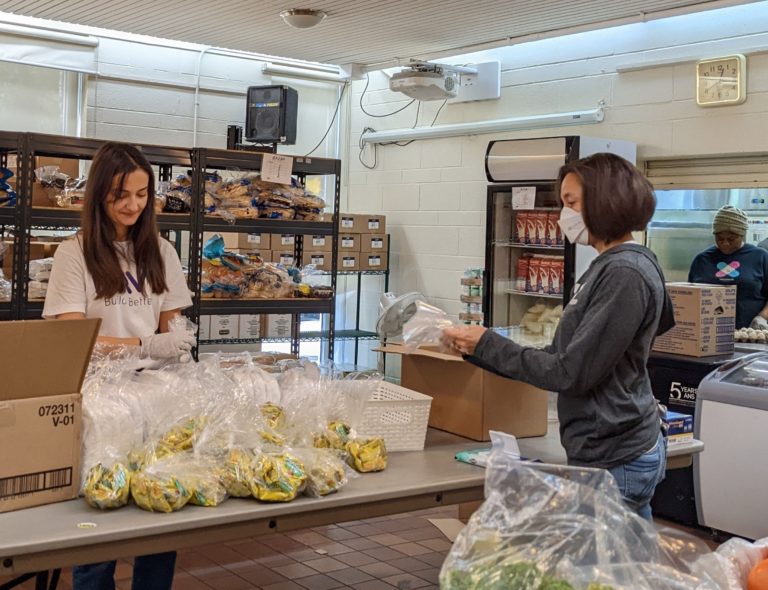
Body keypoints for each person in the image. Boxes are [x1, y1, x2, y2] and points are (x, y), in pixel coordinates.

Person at [443, 153, 674, 521]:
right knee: (628, 564)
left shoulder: (624, 273)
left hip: (615, 453)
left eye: (571, 203)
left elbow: (570, 372)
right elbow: (562, 357)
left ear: (605, 201)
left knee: (603, 572)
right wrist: (477, 348)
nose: (563, 215)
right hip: (608, 444)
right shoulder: (613, 266)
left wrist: (487, 343)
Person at [43, 141, 194, 590]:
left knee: (159, 511)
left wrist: (178, 343)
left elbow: (175, 328)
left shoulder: (162, 251)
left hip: (157, 397)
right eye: (120, 195)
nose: (133, 205)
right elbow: (75, 340)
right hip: (101, 402)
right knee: (99, 521)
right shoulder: (75, 253)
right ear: (98, 195)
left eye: (142, 194)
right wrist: (147, 345)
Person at [688, 205, 768, 330]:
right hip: (708, 332)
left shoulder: (761, 257)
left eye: (731, 239)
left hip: (749, 333)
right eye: (719, 238)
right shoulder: (702, 260)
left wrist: (763, 317)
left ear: (742, 235)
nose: (725, 243)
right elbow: (690, 297)